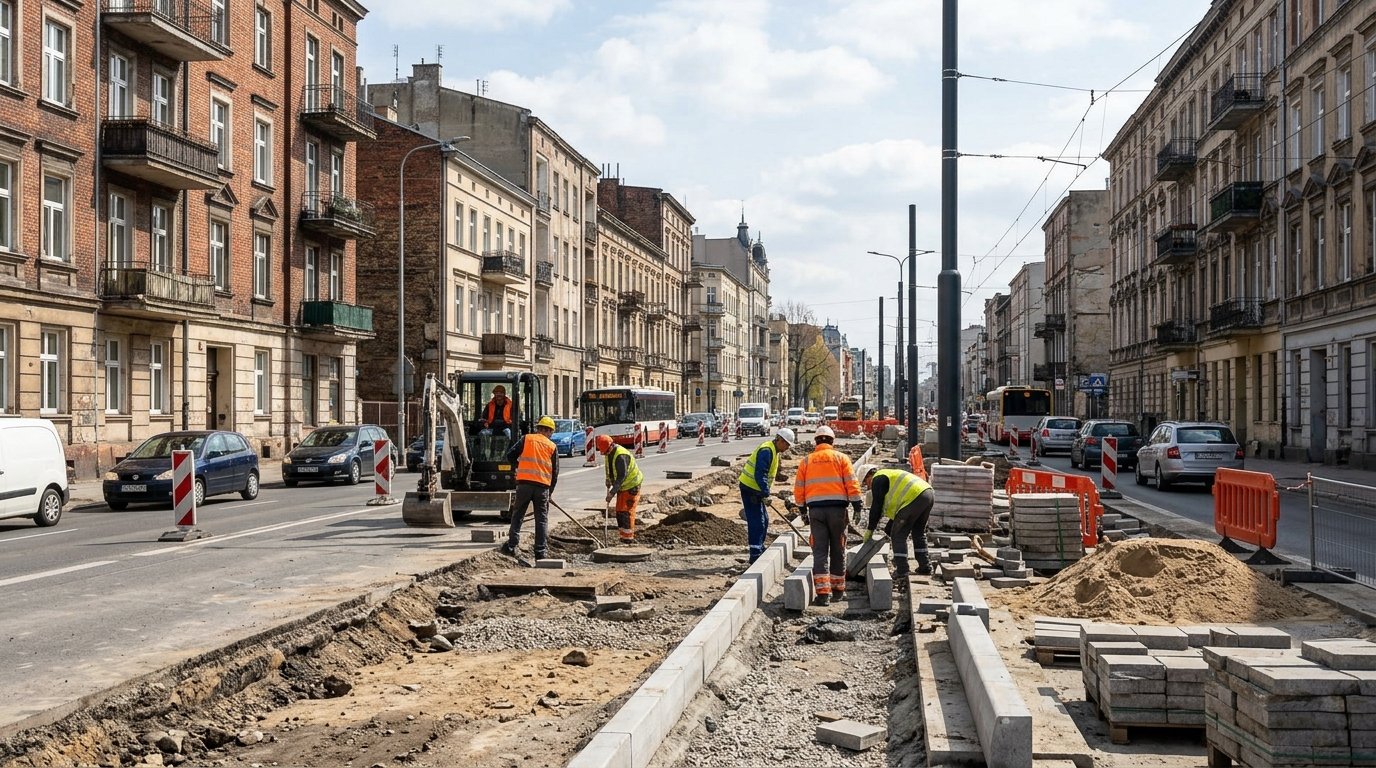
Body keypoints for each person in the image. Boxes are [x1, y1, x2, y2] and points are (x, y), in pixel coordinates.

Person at [793, 425, 863, 605]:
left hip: (816, 512)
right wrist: (857, 506)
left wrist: (802, 511)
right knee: (838, 550)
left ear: (816, 441)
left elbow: (799, 489)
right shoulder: (841, 458)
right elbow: (852, 483)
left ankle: (823, 595)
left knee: (820, 552)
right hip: (838, 512)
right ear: (832, 441)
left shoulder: (806, 461)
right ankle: (838, 591)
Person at [857, 464, 936, 579]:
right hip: (927, 494)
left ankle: (902, 570)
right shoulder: (888, 475)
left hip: (914, 497)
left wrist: (870, 529)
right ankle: (925, 566)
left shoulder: (878, 479)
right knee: (918, 533)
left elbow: (876, 507)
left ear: (869, 475)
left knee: (898, 535)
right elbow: (895, 510)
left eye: (865, 482)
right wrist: (888, 528)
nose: (867, 486)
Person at [500, 415, 559, 561]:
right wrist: (550, 492)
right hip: (542, 487)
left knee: (518, 515)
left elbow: (510, 455)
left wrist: (519, 465)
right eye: (551, 432)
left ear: (538, 429)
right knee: (541, 519)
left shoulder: (526, 439)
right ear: (549, 431)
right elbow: (555, 472)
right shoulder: (552, 446)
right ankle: (540, 551)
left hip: (524, 484)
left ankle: (512, 545)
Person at [737, 427, 797, 563]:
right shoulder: (766, 451)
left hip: (756, 489)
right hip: (751, 489)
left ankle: (759, 548)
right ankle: (755, 554)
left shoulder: (774, 451)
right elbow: (760, 474)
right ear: (780, 440)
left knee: (764, 519)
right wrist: (765, 493)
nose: (788, 447)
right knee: (757, 521)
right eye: (787, 444)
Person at [596, 434, 643, 543]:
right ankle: (623, 537)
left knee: (626, 512)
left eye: (606, 452)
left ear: (611, 446)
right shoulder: (609, 453)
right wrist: (608, 479)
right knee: (620, 511)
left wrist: (612, 493)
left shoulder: (621, 456)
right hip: (622, 487)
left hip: (631, 486)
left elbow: (622, 476)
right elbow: (608, 467)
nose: (605, 454)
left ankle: (628, 538)